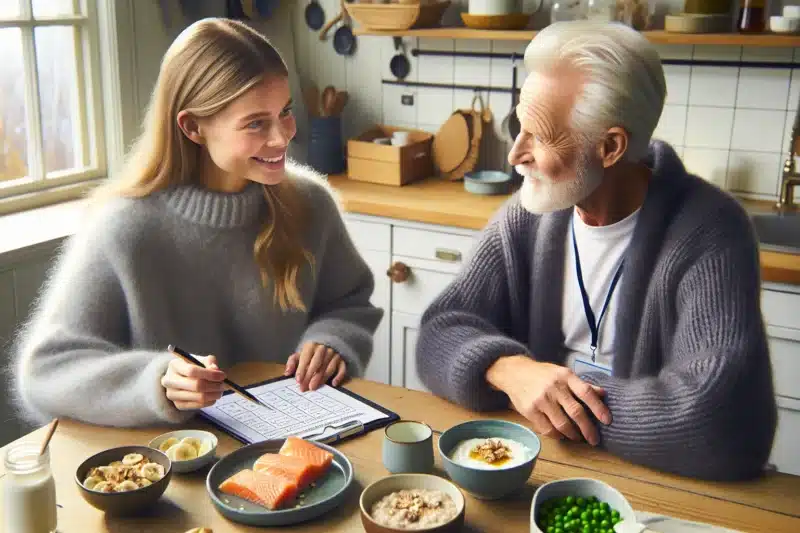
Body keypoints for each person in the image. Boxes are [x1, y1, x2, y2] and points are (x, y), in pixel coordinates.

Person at [415, 21, 776, 481]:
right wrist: (509, 369)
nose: (514, 154)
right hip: (539, 465)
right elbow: (439, 331)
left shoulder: (711, 230)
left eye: (539, 136)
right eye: (518, 128)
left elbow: (721, 418)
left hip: (657, 481)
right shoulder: (529, 213)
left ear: (609, 147)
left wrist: (564, 404)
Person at [11, 18, 382, 428]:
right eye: (256, 123)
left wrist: (333, 340)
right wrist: (156, 383)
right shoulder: (124, 228)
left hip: (294, 446)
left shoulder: (312, 203)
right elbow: (45, 372)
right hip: (172, 464)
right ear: (192, 127)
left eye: (286, 112)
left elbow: (350, 303)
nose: (282, 138)